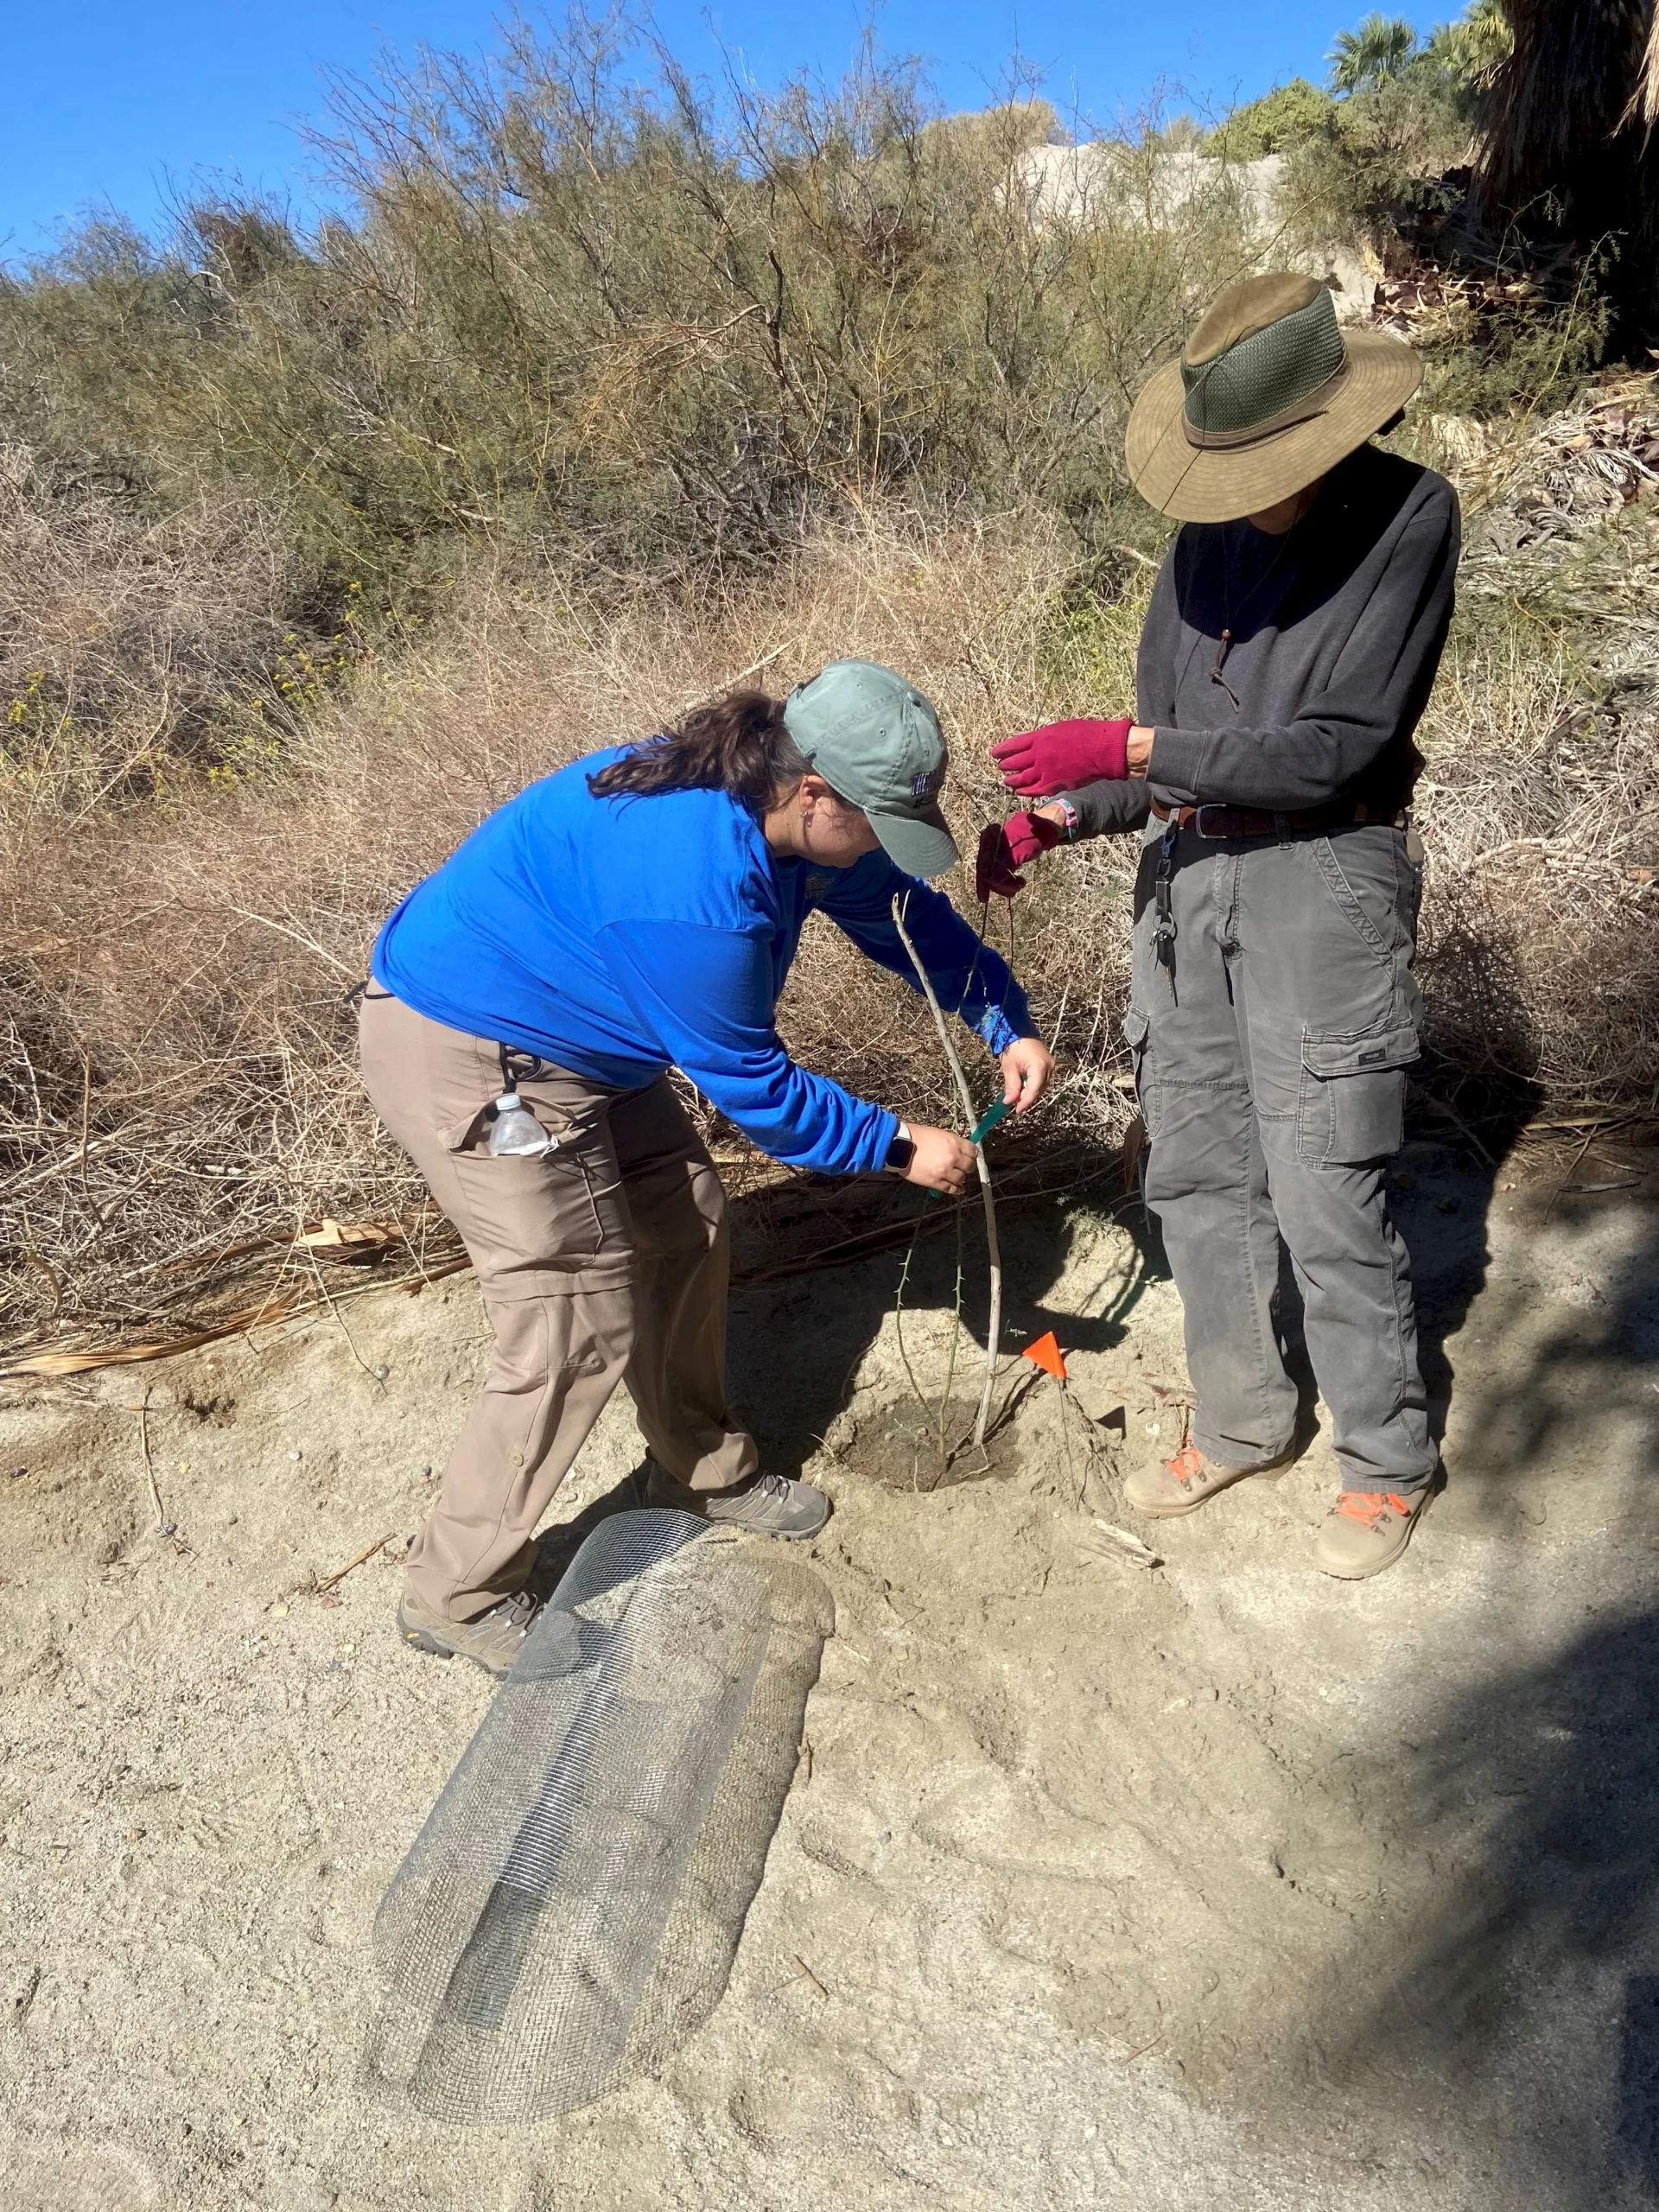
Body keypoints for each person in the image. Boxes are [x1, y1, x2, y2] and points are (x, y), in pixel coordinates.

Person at [360, 659, 1052, 1673]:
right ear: (816, 792)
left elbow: (904, 917)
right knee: (573, 1311)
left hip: (592, 1034)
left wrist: (1004, 1018)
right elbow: (759, 1091)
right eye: (874, 821)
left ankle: (697, 1468)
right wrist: (901, 1147)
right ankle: (454, 1590)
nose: (877, 848)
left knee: (686, 1221)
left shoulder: (790, 810)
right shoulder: (694, 893)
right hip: (475, 1046)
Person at [977, 272, 1459, 1580]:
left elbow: (1331, 748)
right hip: (1188, 884)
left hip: (1325, 881)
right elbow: (1179, 762)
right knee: (1193, 1169)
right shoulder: (1203, 541)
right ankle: (1247, 1418)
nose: (1240, 495)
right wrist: (1075, 812)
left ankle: (1386, 1458)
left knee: (1325, 1183)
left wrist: (1131, 742)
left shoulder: (1411, 517)